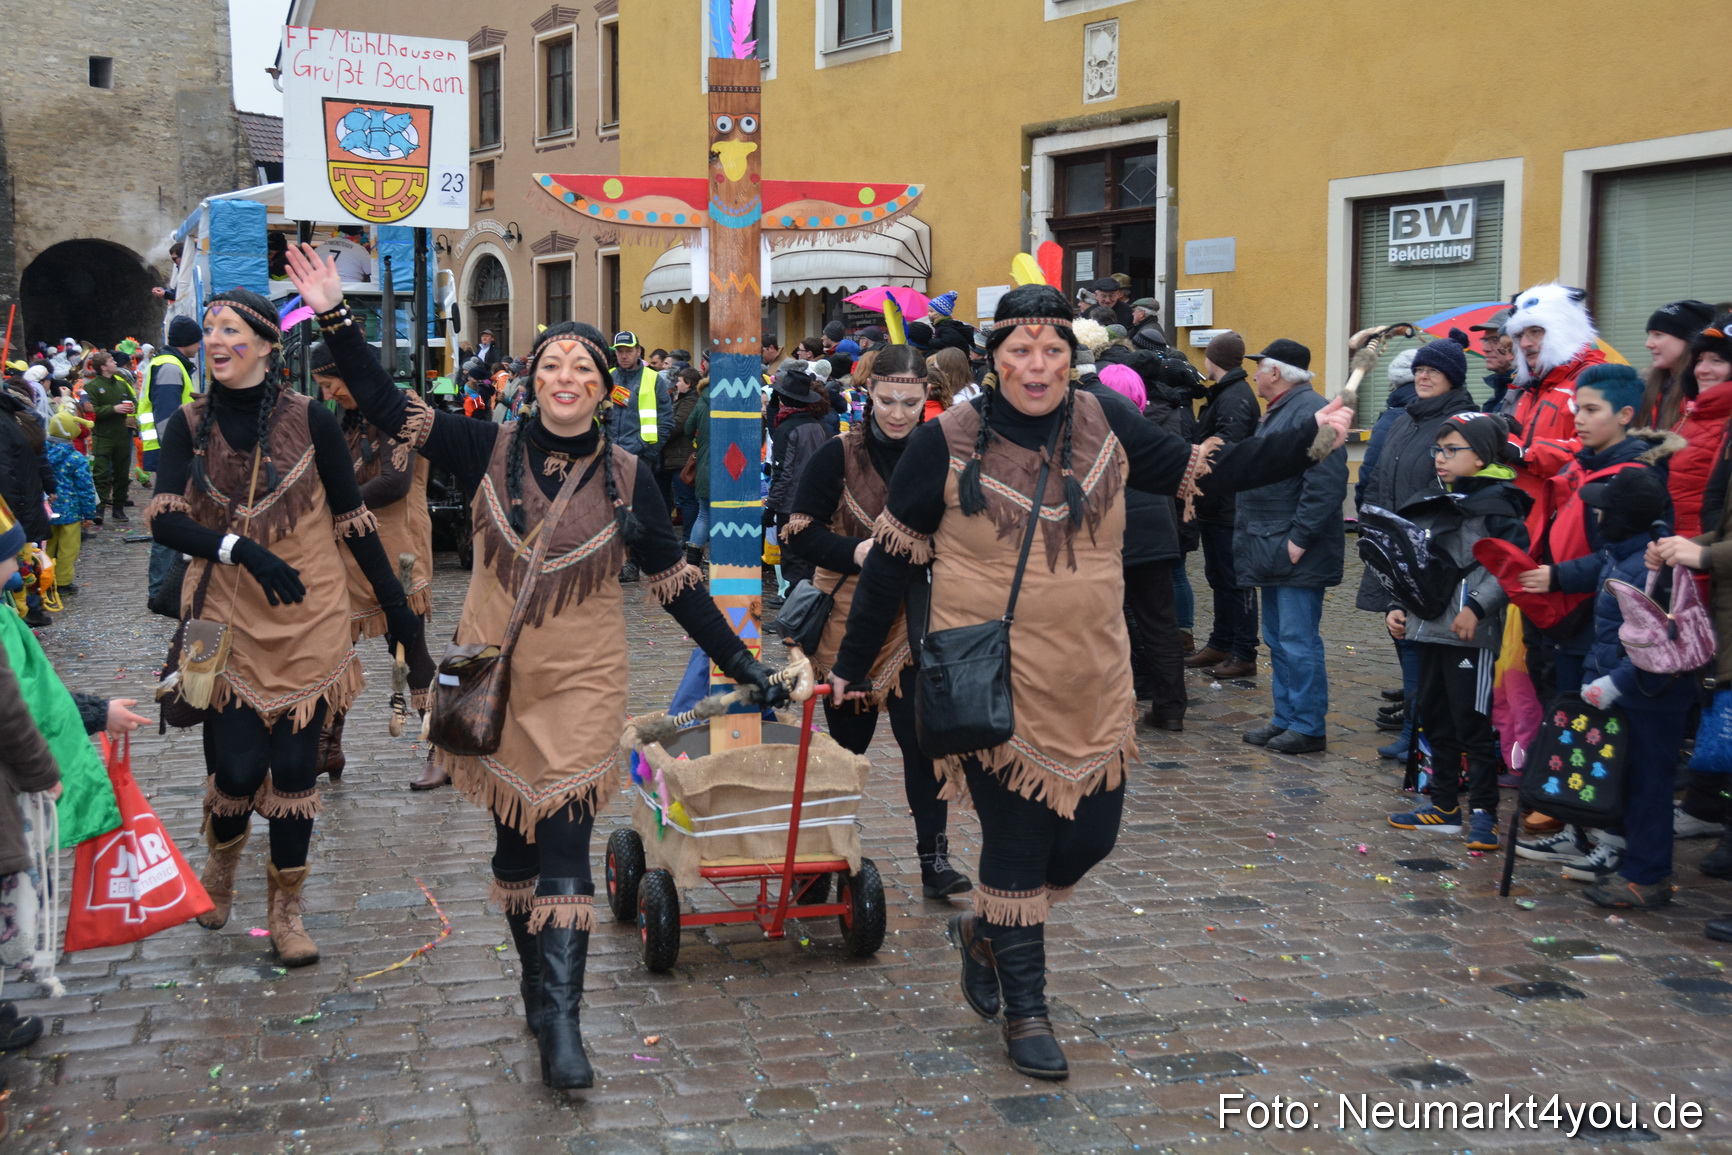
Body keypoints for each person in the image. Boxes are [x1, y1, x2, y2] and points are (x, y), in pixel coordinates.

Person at [284, 241, 786, 1090]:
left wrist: (742, 659)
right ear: (532, 378)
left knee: (565, 853)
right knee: (514, 856)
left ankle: (562, 1021)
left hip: (583, 685)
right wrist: (335, 311)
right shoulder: (486, 446)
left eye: (582, 368)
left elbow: (676, 584)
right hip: (491, 683)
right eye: (551, 363)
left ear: (603, 387)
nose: (565, 377)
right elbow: (381, 399)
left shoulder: (630, 478)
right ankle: (534, 979)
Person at [826, 285, 1351, 1080]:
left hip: (1095, 672)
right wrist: (850, 666)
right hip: (991, 674)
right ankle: (1027, 1011)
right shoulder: (948, 440)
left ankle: (983, 931)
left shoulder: (1108, 420)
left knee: (1088, 838)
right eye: (1019, 352)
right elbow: (892, 564)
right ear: (992, 360)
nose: (1036, 367)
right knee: (1016, 838)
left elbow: (1217, 471)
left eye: (1052, 352)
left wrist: (1309, 439)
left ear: (1073, 359)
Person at [146, 286, 422, 972]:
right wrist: (242, 549)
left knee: (296, 770)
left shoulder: (314, 420)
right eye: (211, 329)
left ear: (269, 346)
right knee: (235, 769)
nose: (216, 341)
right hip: (220, 616)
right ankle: (221, 862)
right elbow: (164, 519)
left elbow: (357, 525)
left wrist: (408, 634)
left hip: (310, 616)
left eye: (232, 330)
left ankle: (286, 908)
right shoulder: (188, 422)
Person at [783, 344, 971, 900]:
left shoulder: (938, 454)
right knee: (845, 750)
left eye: (910, 403)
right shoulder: (837, 455)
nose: (897, 413)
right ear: (868, 394)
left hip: (916, 618)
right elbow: (797, 533)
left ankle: (935, 863)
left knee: (924, 745)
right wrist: (857, 553)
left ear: (925, 400)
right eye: (887, 400)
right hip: (844, 614)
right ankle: (820, 865)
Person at [1512, 364, 1678, 881]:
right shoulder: (1587, 464)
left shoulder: (1635, 479)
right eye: (1576, 408)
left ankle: (1609, 837)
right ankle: (1578, 825)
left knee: (1612, 745)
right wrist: (1553, 575)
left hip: (1594, 625)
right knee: (1578, 733)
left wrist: (1562, 579)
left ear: (1626, 415)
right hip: (1573, 617)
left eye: (1590, 410)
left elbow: (1617, 560)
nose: (1577, 419)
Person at [1549, 468, 1694, 909]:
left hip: (1652, 694)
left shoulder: (1651, 569)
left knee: (1650, 783)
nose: (1595, 516)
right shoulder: (1626, 553)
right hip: (1632, 688)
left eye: (1602, 510)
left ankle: (1646, 876)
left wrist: (1616, 683)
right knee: (1632, 779)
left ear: (1622, 517)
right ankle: (1633, 862)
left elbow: (1661, 643)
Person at [1385, 413, 1530, 846]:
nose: (1441, 459)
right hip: (1426, 627)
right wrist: (1398, 605)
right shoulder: (1434, 500)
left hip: (1470, 634)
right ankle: (1444, 805)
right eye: (1438, 450)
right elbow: (1416, 562)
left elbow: (1507, 567)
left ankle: (1484, 812)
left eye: (1452, 451)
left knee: (1474, 723)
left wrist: (1478, 607)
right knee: (1434, 716)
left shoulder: (1500, 504)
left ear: (1481, 455)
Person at [306, 343, 441, 791]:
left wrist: (330, 505)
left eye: (332, 384)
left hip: (397, 545)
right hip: (346, 549)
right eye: (322, 388)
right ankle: (327, 747)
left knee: (407, 648)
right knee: (332, 645)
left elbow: (394, 482)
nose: (329, 394)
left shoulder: (398, 409)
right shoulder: (347, 419)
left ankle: (444, 749)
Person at [1355, 338, 1480, 759]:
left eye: (1434, 371)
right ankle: (1414, 731)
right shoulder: (1406, 419)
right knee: (1404, 640)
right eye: (1420, 369)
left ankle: (1422, 736)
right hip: (1395, 550)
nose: (1423, 377)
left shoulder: (1462, 423)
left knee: (1423, 647)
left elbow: (1455, 492)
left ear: (1453, 378)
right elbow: (1378, 479)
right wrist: (1375, 529)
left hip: (1430, 555)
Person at [1235, 338, 1348, 755]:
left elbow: (1326, 483)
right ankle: (1287, 718)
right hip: (1272, 542)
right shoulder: (1285, 411)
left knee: (1298, 641)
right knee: (1279, 639)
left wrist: (1300, 538)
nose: (1256, 375)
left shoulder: (1312, 412)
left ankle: (1307, 725)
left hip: (1292, 545)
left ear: (1277, 373)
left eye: (1260, 368)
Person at [1090, 363, 1186, 731]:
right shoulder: (1146, 424)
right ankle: (1171, 707)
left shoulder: (1092, 415)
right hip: (1156, 529)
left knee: (1108, 620)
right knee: (1160, 622)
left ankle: (1114, 702)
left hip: (1116, 532)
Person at [1185, 331, 1260, 679]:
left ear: (1212, 359)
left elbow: (1225, 449)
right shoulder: (1225, 393)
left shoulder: (1234, 397)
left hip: (1229, 503)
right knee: (1218, 576)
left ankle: (1243, 651)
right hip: (1216, 503)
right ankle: (1221, 642)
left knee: (1235, 579)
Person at [1502, 283, 1607, 512]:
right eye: (1520, 335)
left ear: (1564, 329)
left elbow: (1593, 450)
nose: (1526, 343)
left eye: (1536, 332)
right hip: (1529, 511)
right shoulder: (1531, 385)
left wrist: (1525, 453)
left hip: (1569, 513)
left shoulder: (1594, 380)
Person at [142, 316, 204, 605]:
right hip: (170, 453)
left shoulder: (168, 363)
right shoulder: (169, 366)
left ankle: (166, 588)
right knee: (167, 515)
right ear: (189, 341)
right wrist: (177, 453)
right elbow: (167, 415)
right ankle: (160, 591)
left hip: (165, 450)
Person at [766, 364, 833, 592]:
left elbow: (783, 473)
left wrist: (770, 508)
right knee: (811, 563)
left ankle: (798, 618)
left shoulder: (787, 430)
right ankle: (811, 613)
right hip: (816, 505)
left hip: (791, 507)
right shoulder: (820, 427)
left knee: (793, 562)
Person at [1663, 321, 1732, 537]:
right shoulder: (1692, 414)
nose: (1702, 370)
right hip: (1672, 546)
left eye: (1717, 361)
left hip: (1700, 550)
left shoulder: (1724, 421)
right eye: (1699, 360)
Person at [1637, 300, 1716, 430]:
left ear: (1688, 340)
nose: (1648, 344)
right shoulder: (1644, 385)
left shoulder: (1705, 390)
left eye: (1658, 335)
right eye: (1649, 335)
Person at [43, 411, 98, 596]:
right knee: (68, 548)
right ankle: (63, 581)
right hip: (70, 511)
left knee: (46, 546)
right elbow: (85, 487)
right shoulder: (75, 458)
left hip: (47, 509)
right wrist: (89, 513)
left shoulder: (41, 453)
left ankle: (44, 578)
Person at [84, 352, 136, 522]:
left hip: (121, 435)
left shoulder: (121, 385)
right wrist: (114, 409)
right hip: (103, 436)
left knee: (122, 474)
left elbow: (133, 402)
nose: (115, 362)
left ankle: (118, 508)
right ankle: (99, 509)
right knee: (101, 474)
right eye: (111, 361)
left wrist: (131, 408)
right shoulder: (92, 387)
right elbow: (91, 411)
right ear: (103, 367)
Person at [664, 367, 703, 546]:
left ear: (688, 384)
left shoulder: (689, 402)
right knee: (686, 499)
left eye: (679, 381)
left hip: (682, 457)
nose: (676, 384)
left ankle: (689, 538)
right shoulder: (685, 400)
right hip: (678, 457)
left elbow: (678, 425)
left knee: (687, 499)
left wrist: (660, 433)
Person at [682, 372, 712, 567]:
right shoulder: (737, 399)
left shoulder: (703, 400)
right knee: (725, 518)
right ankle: (721, 564)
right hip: (732, 468)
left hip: (704, 466)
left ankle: (692, 564)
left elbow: (687, 428)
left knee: (704, 514)